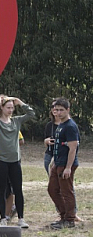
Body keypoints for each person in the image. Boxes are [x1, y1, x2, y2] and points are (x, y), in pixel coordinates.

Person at [0, 95, 35, 228]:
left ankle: (21, 219)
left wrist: (20, 102)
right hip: (0, 161)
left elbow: (31, 113)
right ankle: (3, 218)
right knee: (1, 190)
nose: (10, 110)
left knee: (18, 190)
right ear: (2, 108)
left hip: (15, 161)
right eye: (8, 107)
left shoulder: (16, 121)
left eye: (12, 108)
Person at [47, 98, 79, 229]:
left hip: (66, 164)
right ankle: (63, 215)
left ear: (68, 110)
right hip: (58, 162)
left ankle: (70, 219)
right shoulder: (60, 125)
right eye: (56, 110)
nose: (58, 112)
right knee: (52, 189)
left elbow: (73, 148)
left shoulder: (70, 126)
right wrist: (53, 161)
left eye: (61, 110)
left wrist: (68, 167)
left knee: (66, 191)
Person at [0, 121, 23, 221]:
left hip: (10, 160)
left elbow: (21, 140)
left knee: (9, 188)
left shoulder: (11, 125)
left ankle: (8, 214)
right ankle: (5, 213)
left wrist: (7, 146)